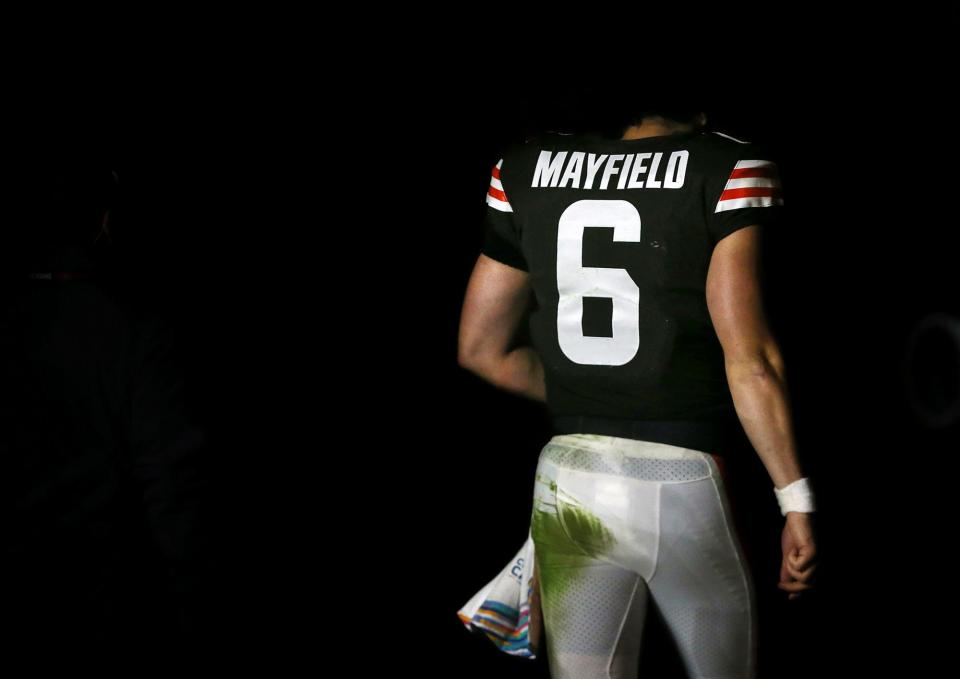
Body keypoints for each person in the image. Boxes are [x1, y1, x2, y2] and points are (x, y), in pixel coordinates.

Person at [457, 106, 818, 678]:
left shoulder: (526, 164)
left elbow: (481, 349)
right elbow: (749, 360)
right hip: (682, 480)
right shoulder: (726, 166)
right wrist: (795, 500)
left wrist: (594, 399)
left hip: (568, 482)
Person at [0, 162, 216, 660]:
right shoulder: (135, 336)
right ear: (101, 218)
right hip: (102, 628)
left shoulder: (3, 329)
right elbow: (178, 510)